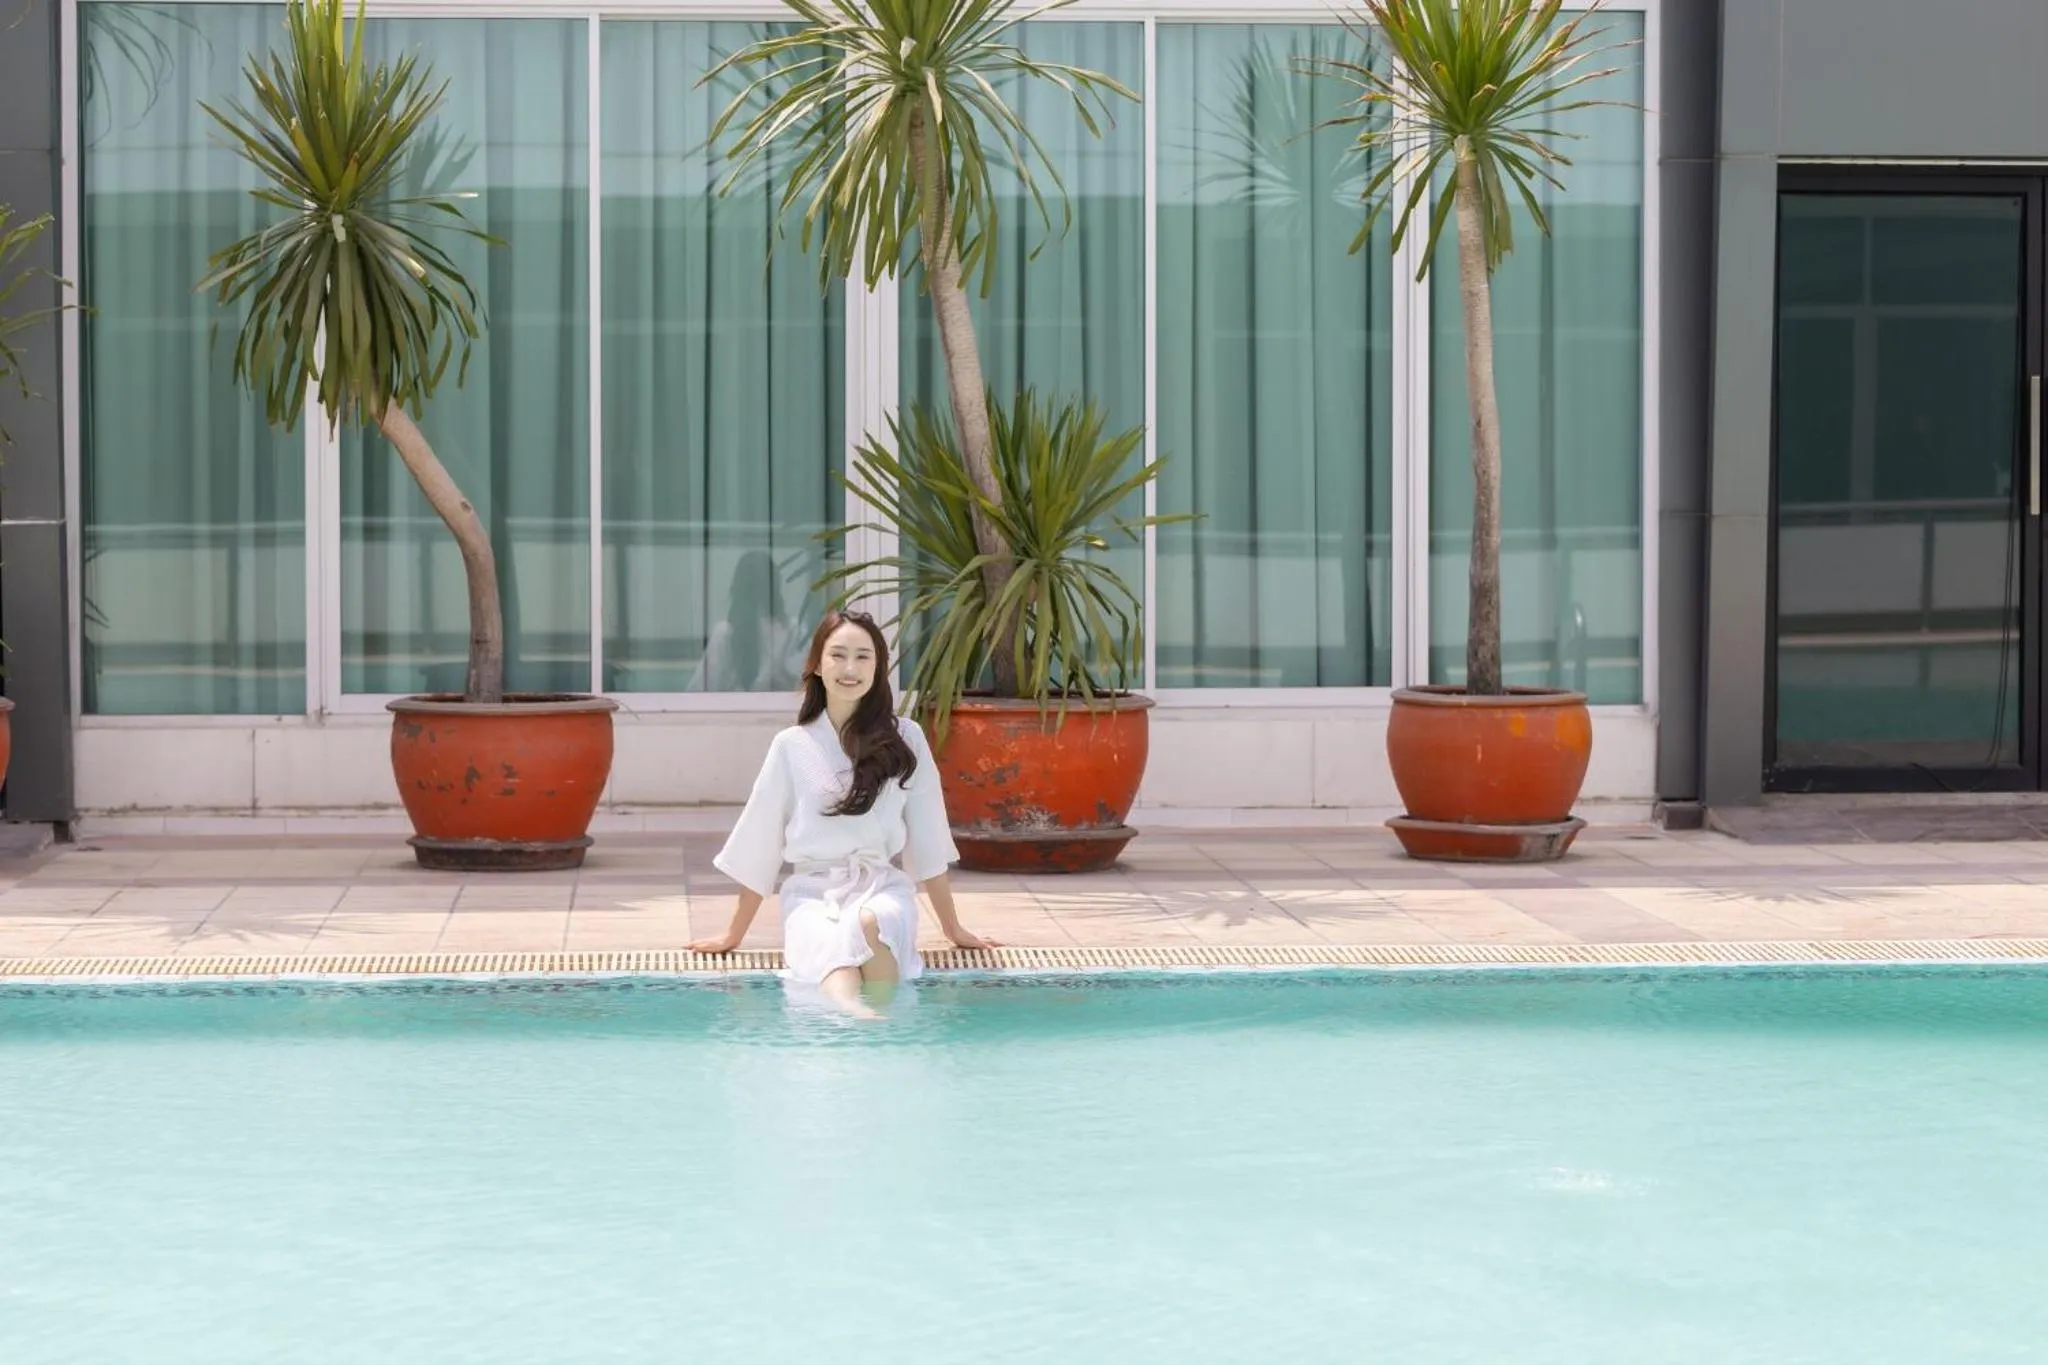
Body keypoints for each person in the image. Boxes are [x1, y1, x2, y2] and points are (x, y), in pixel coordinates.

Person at [689, 609, 1000, 1016]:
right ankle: (866, 1021)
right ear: (817, 665)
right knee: (834, 945)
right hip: (812, 895)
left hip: (883, 888)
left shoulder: (906, 738)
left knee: (872, 923)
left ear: (879, 667)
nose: (849, 668)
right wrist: (733, 933)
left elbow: (928, 838)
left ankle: (874, 1021)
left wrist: (953, 928)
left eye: (863, 656)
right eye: (837, 655)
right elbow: (761, 840)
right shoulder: (792, 745)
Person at [689, 549, 806, 693]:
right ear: (776, 586)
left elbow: (700, 690)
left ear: (737, 588)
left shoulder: (725, 632)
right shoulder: (795, 630)